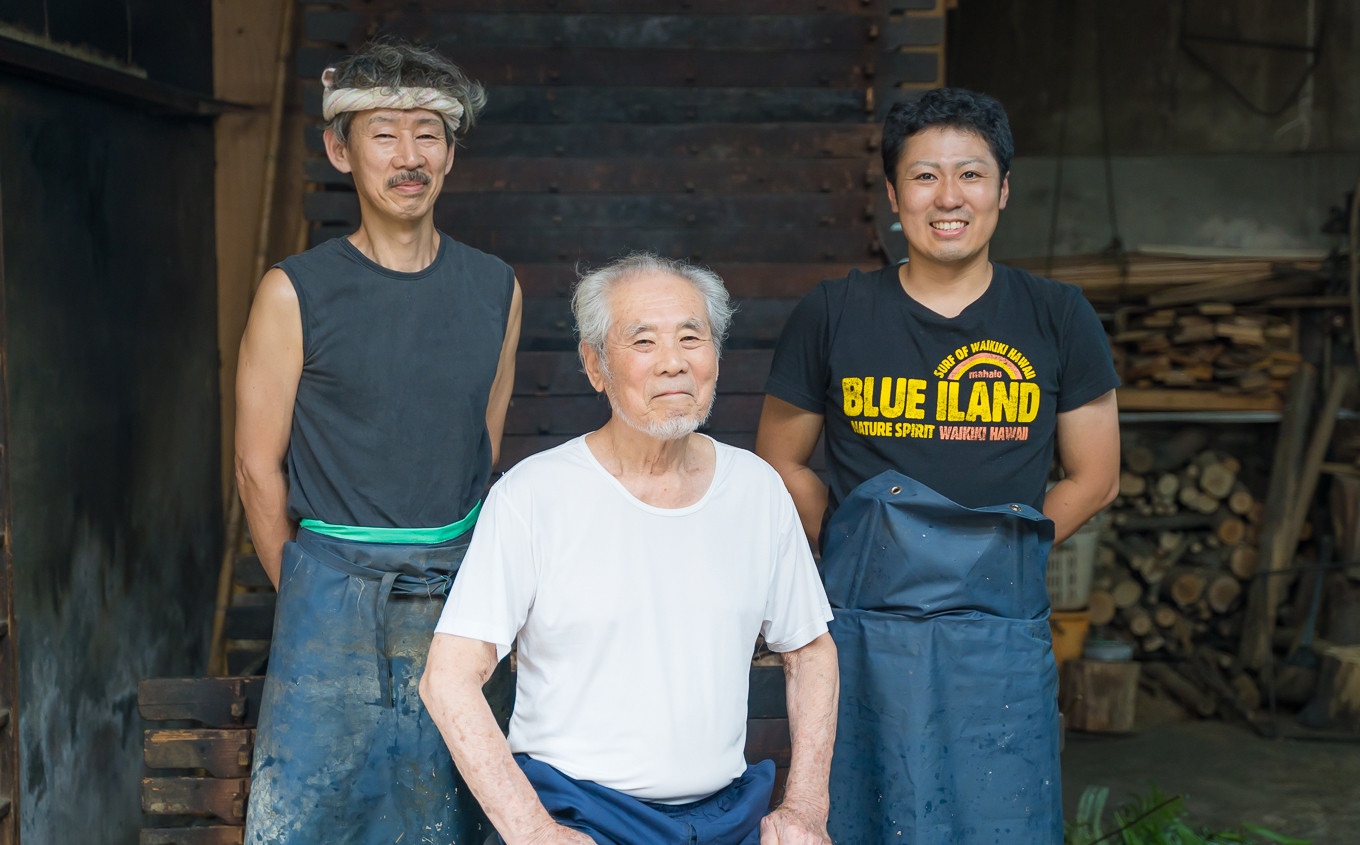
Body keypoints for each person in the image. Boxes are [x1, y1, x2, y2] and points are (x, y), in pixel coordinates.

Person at [757, 88, 1121, 843]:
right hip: (863, 627)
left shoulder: (1057, 314)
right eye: (924, 177)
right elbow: (780, 459)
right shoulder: (834, 311)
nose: (948, 197)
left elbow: (1096, 475)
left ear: (1003, 190)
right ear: (893, 194)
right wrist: (858, 539)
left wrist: (1000, 554)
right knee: (861, 816)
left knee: (998, 819)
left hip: (1000, 631)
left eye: (971, 175)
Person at [419, 254, 839, 845]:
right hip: (579, 816)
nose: (674, 363)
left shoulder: (756, 490)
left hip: (725, 818)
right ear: (595, 365)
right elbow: (448, 679)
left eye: (692, 338)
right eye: (643, 341)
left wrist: (805, 808)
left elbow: (811, 650)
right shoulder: (533, 495)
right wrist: (532, 831)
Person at [235, 39, 522, 843]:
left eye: (428, 133)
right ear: (339, 148)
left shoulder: (497, 288)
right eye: (384, 133)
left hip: (458, 594)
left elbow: (481, 447)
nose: (409, 156)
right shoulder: (295, 291)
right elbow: (258, 470)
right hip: (329, 593)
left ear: (451, 153)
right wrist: (307, 599)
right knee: (322, 819)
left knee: (461, 816)